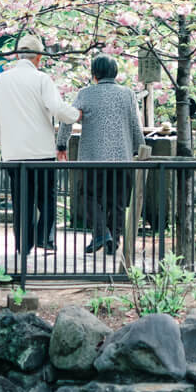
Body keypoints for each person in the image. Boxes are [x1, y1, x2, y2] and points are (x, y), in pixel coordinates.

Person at [0, 33, 80, 256]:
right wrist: (76, 115)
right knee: (47, 198)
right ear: (38, 57)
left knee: (21, 201)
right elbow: (57, 108)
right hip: (40, 152)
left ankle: (23, 245)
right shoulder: (42, 79)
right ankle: (44, 238)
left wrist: (4, 145)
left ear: (18, 55)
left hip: (13, 154)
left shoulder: (1, 80)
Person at [60, 54, 144, 255]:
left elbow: (68, 119)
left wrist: (62, 144)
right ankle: (111, 241)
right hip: (122, 159)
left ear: (94, 73)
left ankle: (101, 233)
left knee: (87, 195)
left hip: (92, 158)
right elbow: (135, 124)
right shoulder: (128, 94)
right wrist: (140, 150)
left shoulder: (86, 94)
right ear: (114, 73)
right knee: (116, 202)